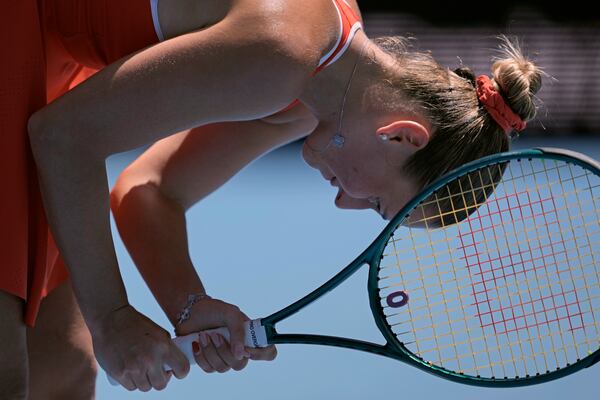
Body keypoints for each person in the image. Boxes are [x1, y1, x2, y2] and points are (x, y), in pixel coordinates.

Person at [3, 0, 543, 397]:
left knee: (62, 370)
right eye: (379, 204)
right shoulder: (279, 56)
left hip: (47, 55)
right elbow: (64, 138)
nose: (345, 205)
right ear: (401, 136)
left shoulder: (312, 80)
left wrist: (188, 305)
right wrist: (112, 318)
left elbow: (147, 192)